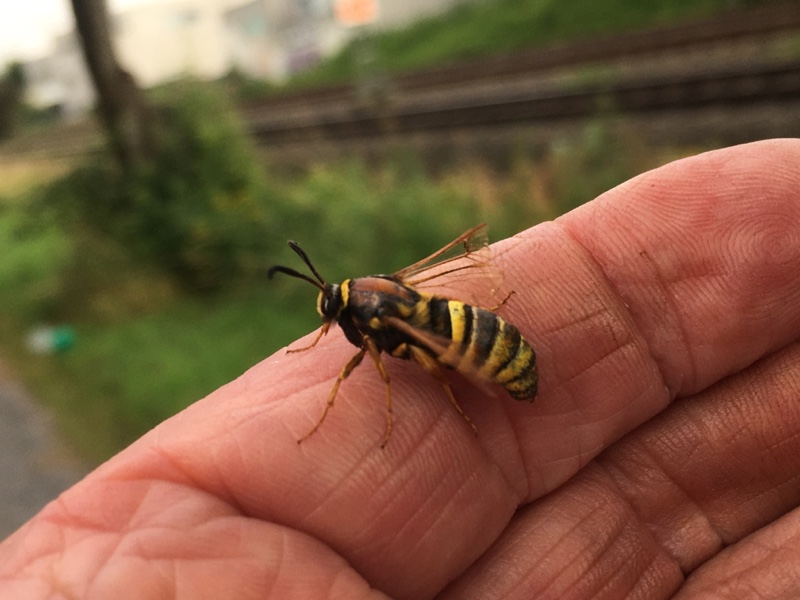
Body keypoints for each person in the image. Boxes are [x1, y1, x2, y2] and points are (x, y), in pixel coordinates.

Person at [2, 139, 800, 599]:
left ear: (341, 307)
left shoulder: (370, 320)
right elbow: (434, 289)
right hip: (475, 325)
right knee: (430, 338)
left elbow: (389, 358)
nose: (330, 321)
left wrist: (419, 395)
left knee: (418, 360)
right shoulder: (376, 296)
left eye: (328, 314)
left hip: (483, 348)